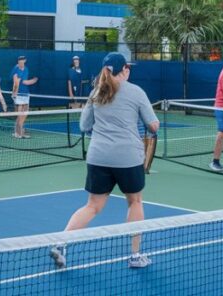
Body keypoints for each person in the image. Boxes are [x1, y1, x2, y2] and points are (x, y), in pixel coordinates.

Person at [50, 52, 159, 270]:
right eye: (128, 68)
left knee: (92, 206)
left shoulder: (95, 92)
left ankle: (60, 243)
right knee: (135, 201)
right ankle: (136, 256)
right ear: (124, 71)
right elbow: (153, 125)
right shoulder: (136, 92)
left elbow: (84, 125)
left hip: (98, 157)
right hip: (128, 158)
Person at [10, 56, 38, 139]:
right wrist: (14, 93)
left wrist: (32, 81)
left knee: (25, 113)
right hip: (19, 94)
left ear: (25, 61)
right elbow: (16, 83)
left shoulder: (26, 69)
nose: (20, 61)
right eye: (19, 60)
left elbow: (24, 81)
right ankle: (19, 133)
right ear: (18, 61)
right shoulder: (16, 69)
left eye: (22, 60)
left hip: (26, 94)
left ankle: (18, 132)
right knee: (20, 114)